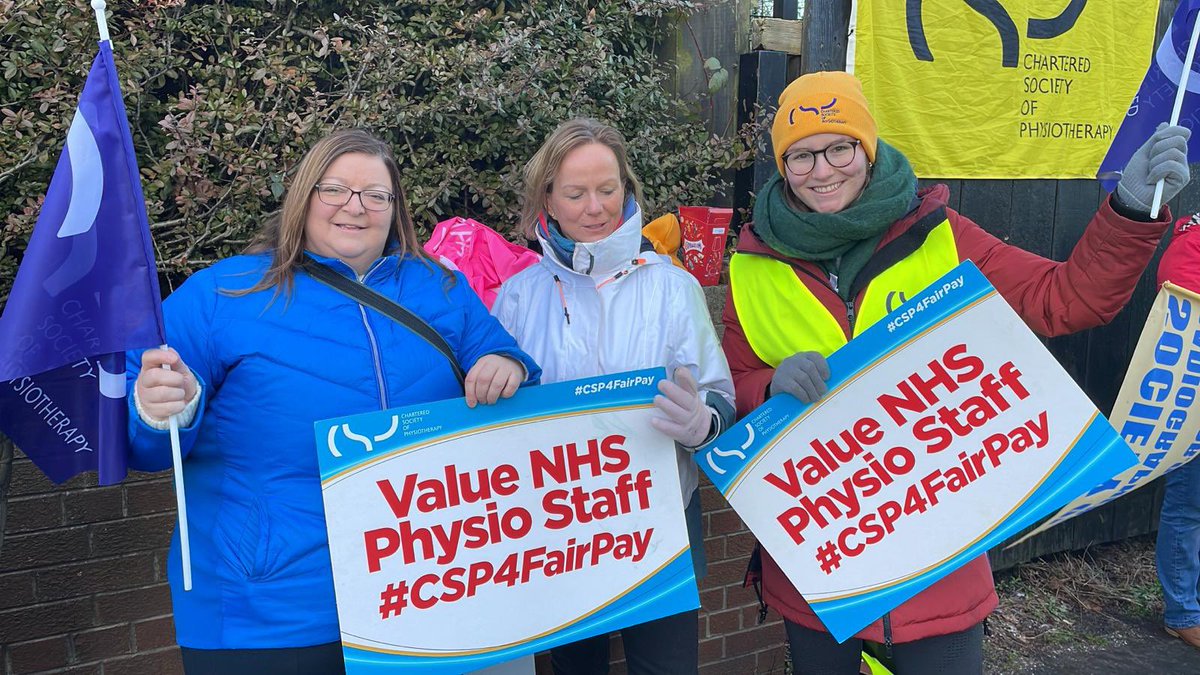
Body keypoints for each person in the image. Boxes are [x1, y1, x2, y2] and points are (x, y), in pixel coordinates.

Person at [721, 70, 1191, 674]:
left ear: (866, 148)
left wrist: (1127, 209)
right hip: (820, 575)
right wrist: (768, 385)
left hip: (937, 576)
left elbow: (1066, 298)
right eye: (802, 155)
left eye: (840, 147)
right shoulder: (751, 266)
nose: (822, 169)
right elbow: (734, 394)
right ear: (783, 165)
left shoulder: (940, 236)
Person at [127, 129, 540, 674]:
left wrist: (507, 366)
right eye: (335, 189)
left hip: (422, 597)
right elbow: (146, 443)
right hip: (270, 610)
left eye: (375, 194)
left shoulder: (438, 287)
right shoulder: (222, 295)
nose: (355, 207)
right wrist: (161, 411)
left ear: (396, 210)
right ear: (303, 195)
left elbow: (507, 364)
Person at [491, 117, 736, 674]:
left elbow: (720, 394)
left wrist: (703, 424)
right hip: (558, 530)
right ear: (547, 201)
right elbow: (496, 421)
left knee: (666, 668)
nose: (595, 207)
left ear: (627, 189)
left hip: (663, 520)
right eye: (576, 193)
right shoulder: (517, 296)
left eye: (608, 189)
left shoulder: (672, 286)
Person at [1155, 212, 1200, 650]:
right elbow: (1180, 299)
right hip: (1193, 401)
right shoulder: (1193, 241)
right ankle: (1182, 612)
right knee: (1189, 506)